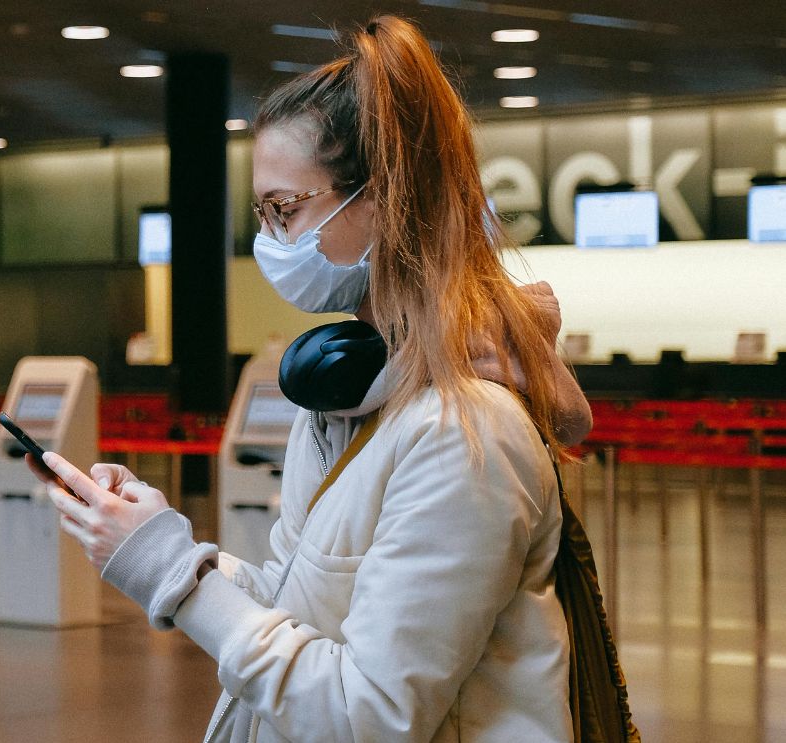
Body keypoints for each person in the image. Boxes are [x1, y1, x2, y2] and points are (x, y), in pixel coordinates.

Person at [33, 15, 594, 743]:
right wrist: (156, 541)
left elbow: (368, 718)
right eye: (261, 212)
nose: (271, 239)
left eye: (284, 209)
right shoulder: (346, 400)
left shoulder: (463, 433)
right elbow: (298, 608)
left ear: (383, 199)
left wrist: (174, 574)